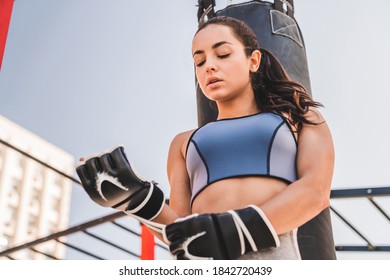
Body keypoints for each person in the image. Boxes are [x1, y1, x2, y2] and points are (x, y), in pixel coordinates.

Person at [76, 16, 334, 260]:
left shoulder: (299, 117)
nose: (209, 65)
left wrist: (236, 231)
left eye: (222, 54)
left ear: (253, 61)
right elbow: (181, 230)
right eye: (199, 62)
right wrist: (135, 201)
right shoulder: (183, 143)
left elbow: (316, 191)